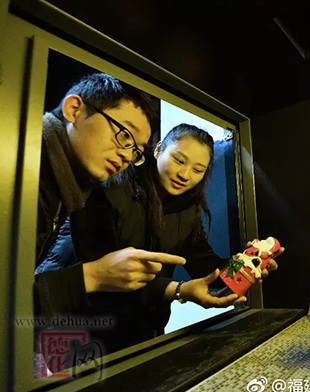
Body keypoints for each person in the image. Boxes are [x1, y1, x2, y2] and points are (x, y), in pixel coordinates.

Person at [38, 123, 283, 354]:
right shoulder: (111, 187)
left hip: (142, 329)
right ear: (158, 150)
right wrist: (178, 290)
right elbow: (105, 271)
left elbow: (202, 260)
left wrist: (242, 266)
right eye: (178, 160)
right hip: (80, 323)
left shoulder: (188, 207)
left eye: (198, 170)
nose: (185, 174)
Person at [35, 72, 187, 318]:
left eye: (136, 151)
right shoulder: (22, 168)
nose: (127, 156)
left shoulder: (70, 187)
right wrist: (93, 276)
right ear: (74, 110)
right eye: (125, 134)